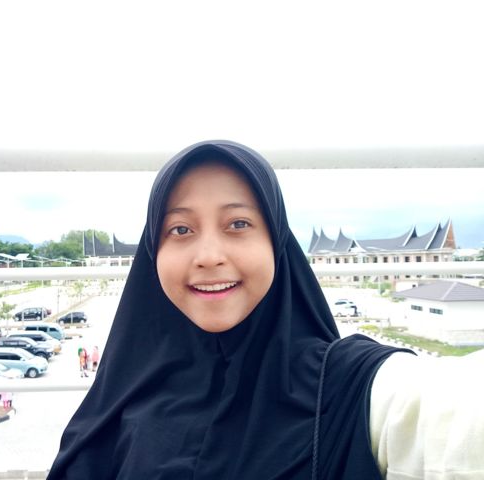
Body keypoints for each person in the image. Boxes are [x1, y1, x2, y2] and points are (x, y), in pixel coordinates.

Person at [47, 140, 484, 479]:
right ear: (152, 252)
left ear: (276, 242)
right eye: (180, 229)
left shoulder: (343, 390)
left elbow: (442, 414)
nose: (209, 256)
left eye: (238, 224)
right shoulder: (121, 397)